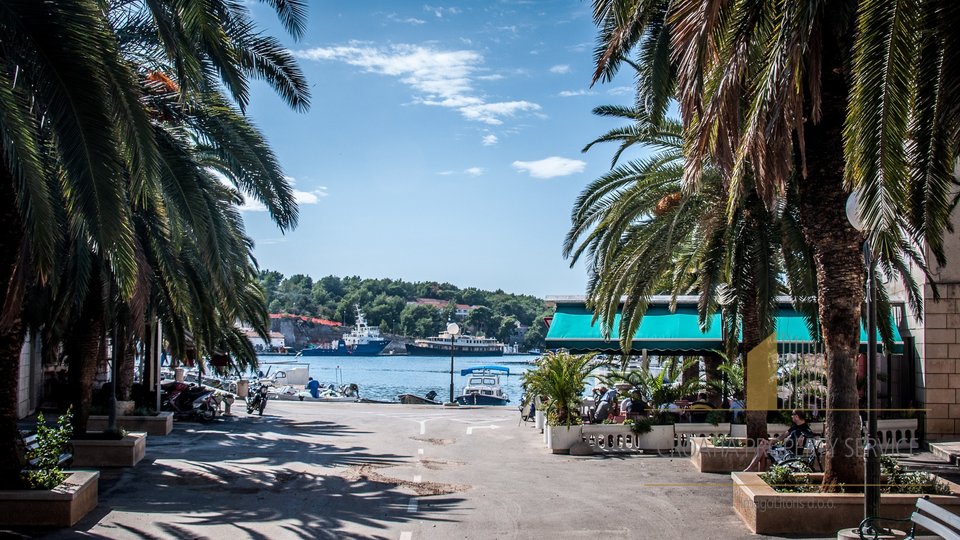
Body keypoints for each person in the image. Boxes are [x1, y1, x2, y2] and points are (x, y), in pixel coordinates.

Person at [743, 409, 815, 472]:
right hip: (783, 449)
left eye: (792, 415)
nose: (791, 416)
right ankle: (758, 471)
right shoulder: (794, 426)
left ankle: (752, 468)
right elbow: (782, 437)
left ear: (797, 416)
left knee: (762, 448)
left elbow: (809, 436)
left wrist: (802, 438)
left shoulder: (805, 429)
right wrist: (769, 442)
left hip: (789, 454)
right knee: (762, 444)